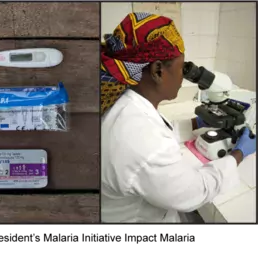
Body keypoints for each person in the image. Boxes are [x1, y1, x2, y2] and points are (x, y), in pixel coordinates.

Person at [100, 13, 256, 223]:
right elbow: (195, 191)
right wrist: (239, 154)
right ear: (157, 71)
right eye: (182, 67)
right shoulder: (142, 141)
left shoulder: (124, 103)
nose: (184, 76)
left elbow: (157, 130)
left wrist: (195, 123)